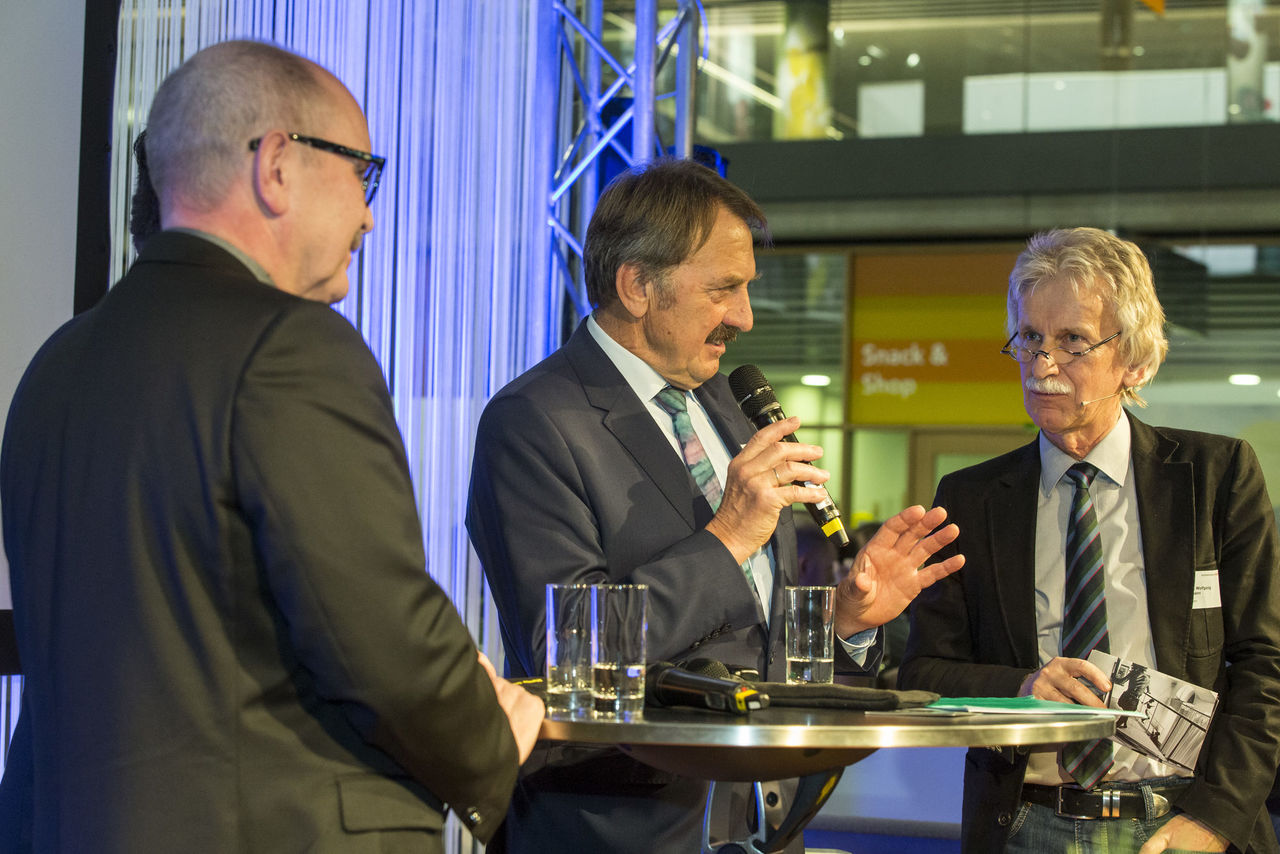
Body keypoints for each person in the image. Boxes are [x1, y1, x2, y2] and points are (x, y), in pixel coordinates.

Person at [0, 40, 542, 853]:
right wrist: (493, 735)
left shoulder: (58, 362)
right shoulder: (292, 347)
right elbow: (376, 634)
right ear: (279, 165)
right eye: (363, 170)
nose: (367, 213)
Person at [466, 157, 964, 853]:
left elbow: (751, 653)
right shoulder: (533, 420)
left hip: (759, 825)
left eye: (747, 290)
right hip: (616, 830)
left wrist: (847, 618)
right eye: (725, 289)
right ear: (638, 285)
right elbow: (568, 650)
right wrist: (728, 535)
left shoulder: (729, 409)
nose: (746, 318)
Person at [899, 227, 1280, 854]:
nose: (1043, 366)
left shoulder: (1215, 477)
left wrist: (1213, 822)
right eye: (1030, 339)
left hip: (1179, 821)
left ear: (1133, 357)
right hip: (1023, 823)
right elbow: (924, 672)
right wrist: (1020, 691)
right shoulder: (969, 499)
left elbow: (1264, 665)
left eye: (1072, 341)